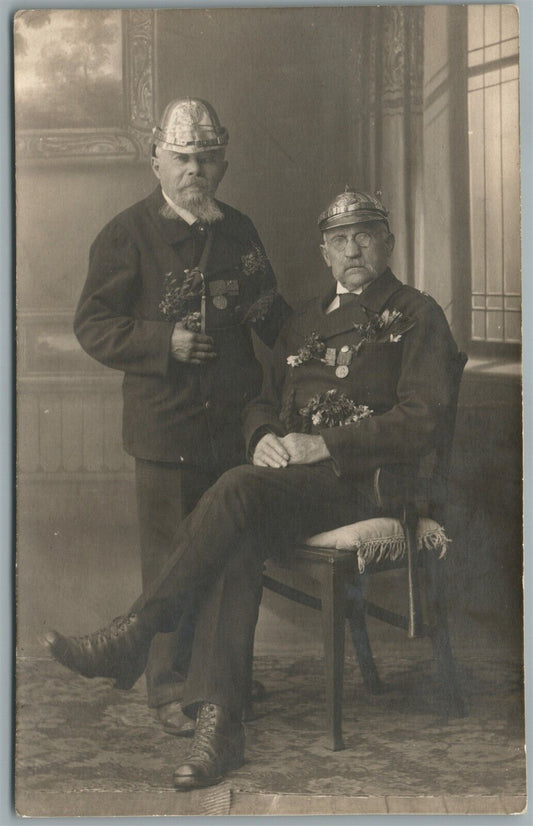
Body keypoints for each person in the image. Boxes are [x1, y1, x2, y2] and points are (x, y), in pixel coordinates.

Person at [46, 189, 460, 789]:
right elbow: (261, 399)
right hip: (292, 484)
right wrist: (264, 433)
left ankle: (135, 633)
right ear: (323, 252)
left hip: (366, 485)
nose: (353, 249)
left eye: (365, 235)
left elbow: (424, 418)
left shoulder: (418, 314)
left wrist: (327, 445)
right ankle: (221, 728)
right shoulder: (304, 321)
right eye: (340, 239)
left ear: (388, 243)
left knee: (237, 492)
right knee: (238, 530)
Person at [72, 97, 290, 735]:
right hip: (165, 426)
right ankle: (168, 689)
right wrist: (160, 343)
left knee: (224, 557)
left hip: (234, 428)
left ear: (222, 161)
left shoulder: (241, 230)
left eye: (206, 159)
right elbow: (92, 324)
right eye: (182, 159)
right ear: (156, 163)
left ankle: (215, 681)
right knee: (170, 559)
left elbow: (271, 313)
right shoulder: (126, 233)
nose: (195, 170)